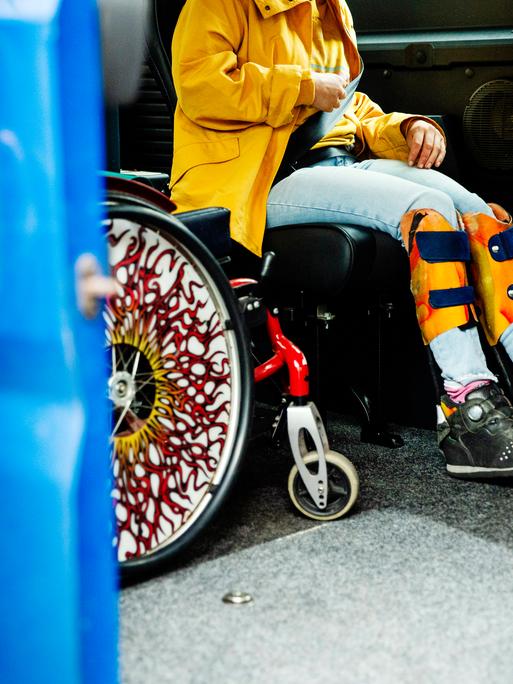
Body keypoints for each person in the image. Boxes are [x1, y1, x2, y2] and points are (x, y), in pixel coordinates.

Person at [170, 0, 513, 479]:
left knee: (482, 215)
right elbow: (200, 85)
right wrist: (303, 87)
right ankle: (468, 409)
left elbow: (348, 109)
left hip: (338, 163)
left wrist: (407, 127)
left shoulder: (330, 8)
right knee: (429, 216)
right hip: (261, 178)